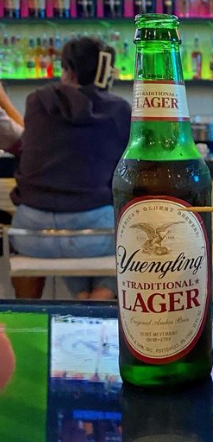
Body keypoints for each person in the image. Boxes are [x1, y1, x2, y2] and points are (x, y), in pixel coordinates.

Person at [10, 37, 131, 301]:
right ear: (106, 72)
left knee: (72, 229)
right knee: (132, 235)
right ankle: (99, 294)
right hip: (92, 236)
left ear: (69, 70)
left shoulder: (36, 101)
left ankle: (83, 297)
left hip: (30, 233)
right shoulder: (120, 110)